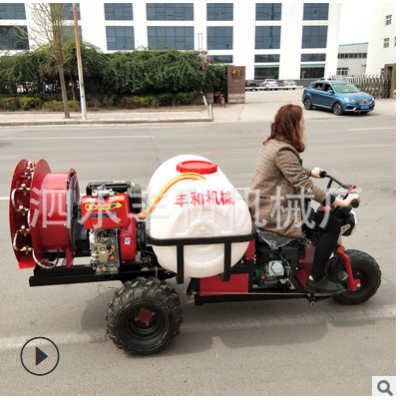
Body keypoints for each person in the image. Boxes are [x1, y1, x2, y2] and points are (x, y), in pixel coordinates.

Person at [249, 104, 360, 294]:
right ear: (293, 125)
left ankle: (304, 260)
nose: (304, 126)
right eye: (302, 122)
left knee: (312, 214)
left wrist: (310, 172)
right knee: (332, 225)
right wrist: (343, 201)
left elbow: (291, 170)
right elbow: (306, 187)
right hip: (273, 212)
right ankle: (316, 279)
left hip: (263, 204)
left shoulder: (272, 144)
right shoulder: (283, 151)